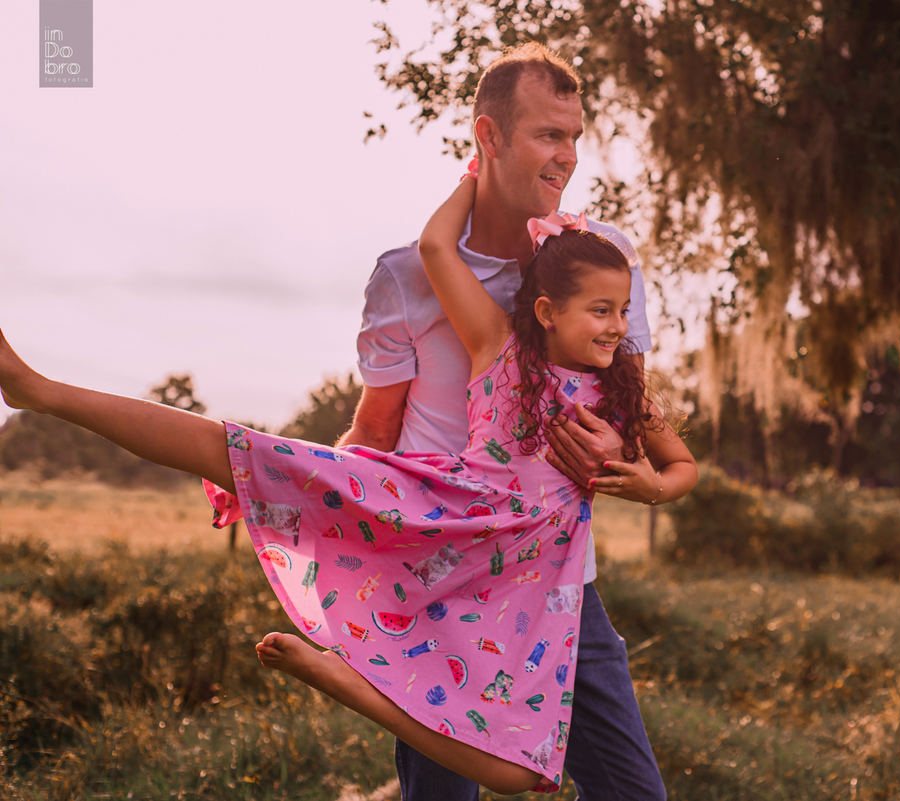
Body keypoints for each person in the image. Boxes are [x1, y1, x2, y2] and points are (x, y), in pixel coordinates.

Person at [0, 174, 696, 792]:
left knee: (519, 772)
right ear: (547, 311)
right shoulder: (499, 346)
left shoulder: (622, 389)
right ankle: (41, 389)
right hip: (446, 514)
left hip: (531, 582)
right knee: (241, 449)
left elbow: (681, 466)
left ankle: (342, 679)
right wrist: (475, 176)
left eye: (621, 308)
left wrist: (642, 482)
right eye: (599, 310)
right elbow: (435, 249)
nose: (616, 326)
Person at [346, 43, 673, 799]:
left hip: (561, 586)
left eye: (575, 136)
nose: (568, 156)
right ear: (487, 137)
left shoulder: (599, 262)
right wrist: (309, 506)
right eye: (548, 135)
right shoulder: (405, 276)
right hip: (442, 584)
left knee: (634, 793)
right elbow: (374, 432)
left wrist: (620, 453)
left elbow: (623, 405)